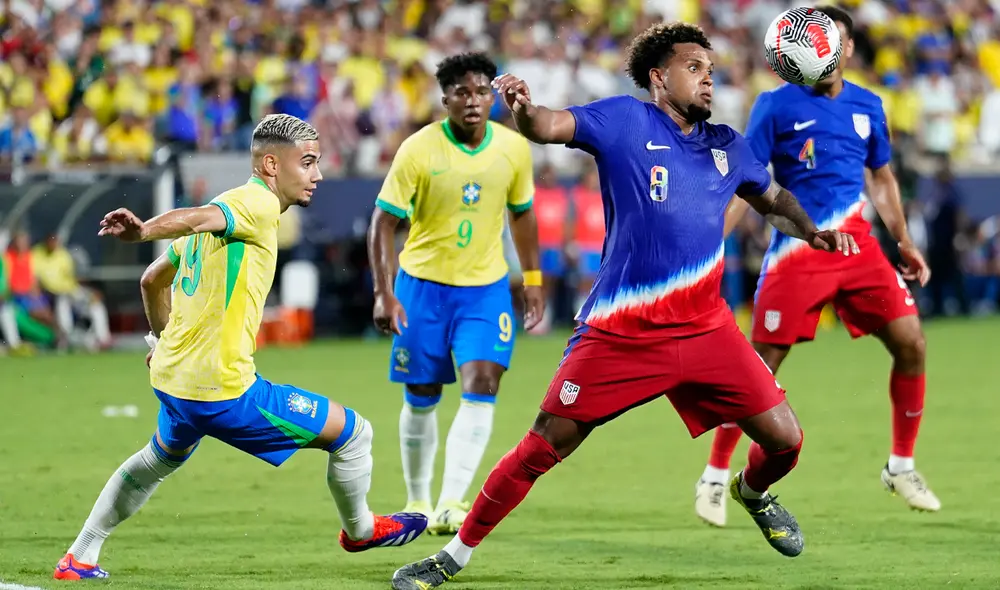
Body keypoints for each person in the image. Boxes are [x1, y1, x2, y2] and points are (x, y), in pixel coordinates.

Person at [390, 22, 860, 589]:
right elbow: (548, 125)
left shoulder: (727, 146)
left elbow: (773, 198)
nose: (709, 79)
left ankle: (751, 492)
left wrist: (812, 231)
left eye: (712, 71)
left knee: (787, 441)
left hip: (708, 332)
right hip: (621, 333)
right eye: (695, 69)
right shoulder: (624, 121)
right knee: (543, 444)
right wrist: (522, 109)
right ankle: (453, 557)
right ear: (659, 77)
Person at [54, 114, 427, 581]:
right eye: (308, 163)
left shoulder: (228, 206)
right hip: (221, 391)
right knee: (354, 434)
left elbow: (153, 280)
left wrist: (161, 341)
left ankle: (80, 555)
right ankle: (362, 530)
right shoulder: (256, 203)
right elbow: (195, 220)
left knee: (155, 460)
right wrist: (144, 231)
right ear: (271, 165)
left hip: (174, 382)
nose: (318, 174)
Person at [694, 6, 939, 529]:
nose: (831, 49)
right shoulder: (777, 105)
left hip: (858, 249)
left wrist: (904, 240)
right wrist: (713, 243)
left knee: (912, 342)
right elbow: (749, 178)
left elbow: (882, 177)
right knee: (758, 370)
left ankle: (901, 465)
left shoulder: (869, 104)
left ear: (846, 48)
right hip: (798, 251)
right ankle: (715, 475)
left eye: (839, 42)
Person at [367, 53, 544, 536]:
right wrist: (385, 292)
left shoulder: (512, 148)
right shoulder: (418, 150)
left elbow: (522, 213)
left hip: (484, 291)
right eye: (462, 92)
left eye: (483, 91)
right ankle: (418, 499)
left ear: (493, 97)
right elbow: (383, 223)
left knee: (483, 383)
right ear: (444, 98)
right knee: (422, 394)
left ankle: (451, 501)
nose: (474, 100)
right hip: (421, 288)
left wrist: (532, 279)